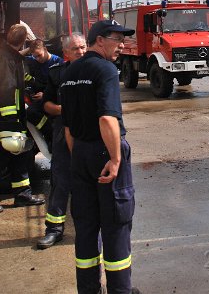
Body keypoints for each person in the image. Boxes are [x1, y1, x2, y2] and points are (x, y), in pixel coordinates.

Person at [61, 20, 140, 294]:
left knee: (85, 226)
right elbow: (107, 119)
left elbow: (68, 128)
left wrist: (79, 157)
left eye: (123, 40)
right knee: (116, 224)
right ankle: (120, 289)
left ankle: (88, 289)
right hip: (105, 154)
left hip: (80, 153)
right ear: (99, 41)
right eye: (117, 39)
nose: (122, 45)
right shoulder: (106, 70)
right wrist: (115, 159)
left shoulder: (70, 72)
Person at [0, 24, 45, 214]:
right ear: (22, 41)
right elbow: (5, 91)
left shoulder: (6, 55)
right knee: (0, 158)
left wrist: (36, 82)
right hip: (5, 119)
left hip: (10, 118)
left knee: (20, 154)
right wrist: (11, 120)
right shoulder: (5, 60)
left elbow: (18, 72)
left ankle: (23, 194)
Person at [36, 33, 87, 249]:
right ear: (65, 53)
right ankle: (54, 230)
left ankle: (87, 229)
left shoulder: (97, 70)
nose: (80, 52)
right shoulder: (57, 73)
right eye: (75, 49)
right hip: (62, 132)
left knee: (88, 184)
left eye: (83, 47)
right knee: (60, 182)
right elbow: (46, 104)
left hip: (89, 136)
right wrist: (61, 109)